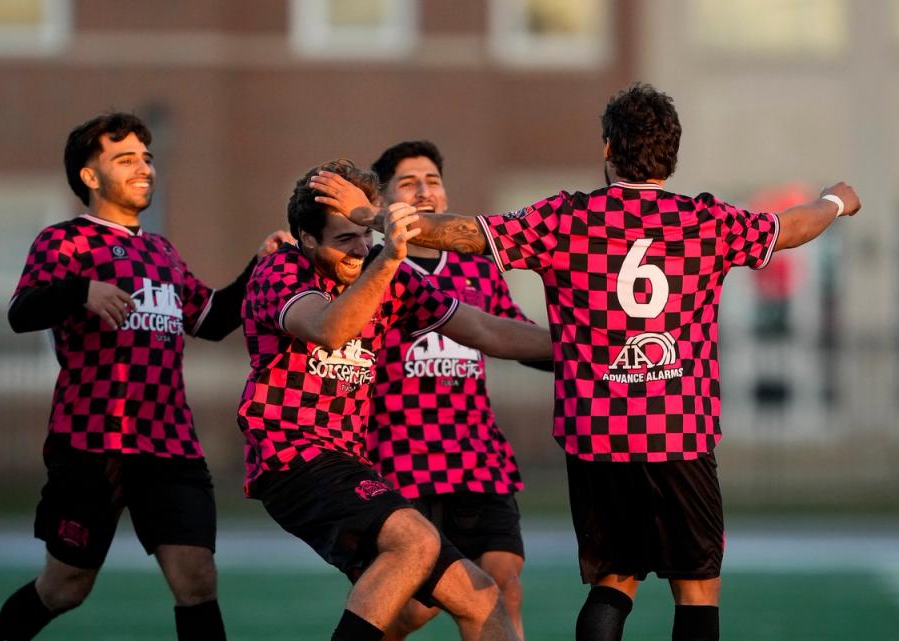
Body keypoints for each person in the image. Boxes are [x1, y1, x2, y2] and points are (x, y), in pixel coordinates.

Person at [309, 83, 862, 641]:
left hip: (595, 435)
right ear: (671, 153)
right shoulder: (707, 222)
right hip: (678, 432)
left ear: (607, 150)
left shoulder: (564, 219)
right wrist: (836, 200)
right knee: (696, 590)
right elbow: (791, 227)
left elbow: (456, 232)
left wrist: (364, 213)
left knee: (613, 581)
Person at [0, 112, 292, 641]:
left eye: (147, 158)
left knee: (196, 579)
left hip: (170, 445)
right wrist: (81, 290)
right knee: (65, 588)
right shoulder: (65, 242)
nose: (144, 168)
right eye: (125, 159)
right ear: (89, 176)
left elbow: (214, 319)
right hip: (91, 444)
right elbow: (20, 312)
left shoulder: (162, 252)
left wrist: (259, 265)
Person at [238, 159, 552, 641]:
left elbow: (488, 330)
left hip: (348, 461)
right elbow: (331, 328)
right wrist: (386, 260)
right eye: (346, 239)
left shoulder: (390, 275)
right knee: (416, 541)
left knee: (482, 596)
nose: (361, 249)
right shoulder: (281, 270)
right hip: (293, 457)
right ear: (306, 239)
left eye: (366, 235)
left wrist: (591, 349)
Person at [367, 140, 548, 640]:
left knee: (504, 582)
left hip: (476, 454)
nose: (424, 191)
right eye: (408, 183)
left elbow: (515, 335)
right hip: (401, 456)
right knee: (417, 606)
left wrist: (590, 354)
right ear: (382, 202)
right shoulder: (371, 270)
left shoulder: (477, 267)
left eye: (433, 181)